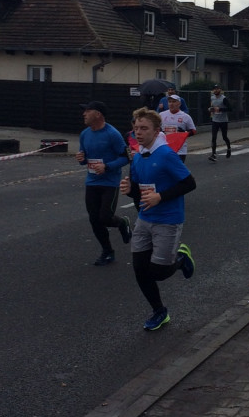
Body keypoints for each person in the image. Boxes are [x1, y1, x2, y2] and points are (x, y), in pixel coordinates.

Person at [120, 107, 196, 331]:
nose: (138, 132)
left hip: (168, 219)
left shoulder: (166, 155)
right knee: (140, 270)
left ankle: (181, 258)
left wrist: (160, 197)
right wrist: (130, 189)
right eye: (136, 128)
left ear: (156, 130)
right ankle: (159, 312)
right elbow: (140, 192)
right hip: (145, 219)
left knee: (159, 273)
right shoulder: (138, 157)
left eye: (144, 128)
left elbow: (189, 183)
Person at [75, 100, 131, 266]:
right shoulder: (85, 134)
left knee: (105, 217)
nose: (83, 114)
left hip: (109, 182)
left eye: (87, 111)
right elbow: (84, 159)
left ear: (98, 114)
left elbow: (126, 157)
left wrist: (107, 166)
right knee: (94, 219)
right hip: (92, 181)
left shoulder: (112, 134)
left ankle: (122, 223)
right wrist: (81, 159)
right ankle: (107, 251)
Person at [159, 95, 197, 163]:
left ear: (179, 104)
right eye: (169, 102)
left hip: (180, 150)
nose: (171, 104)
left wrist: (184, 132)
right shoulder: (161, 115)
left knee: (178, 172)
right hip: (165, 148)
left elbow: (193, 131)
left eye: (174, 102)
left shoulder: (185, 116)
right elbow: (155, 129)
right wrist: (161, 132)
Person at [208, 85, 232, 161]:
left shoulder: (223, 98)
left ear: (220, 90)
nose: (215, 90)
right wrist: (210, 109)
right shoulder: (212, 97)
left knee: (224, 136)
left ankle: (229, 148)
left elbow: (230, 109)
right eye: (214, 89)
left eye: (217, 89)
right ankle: (213, 154)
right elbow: (212, 106)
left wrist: (220, 109)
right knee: (214, 137)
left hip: (223, 121)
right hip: (215, 120)